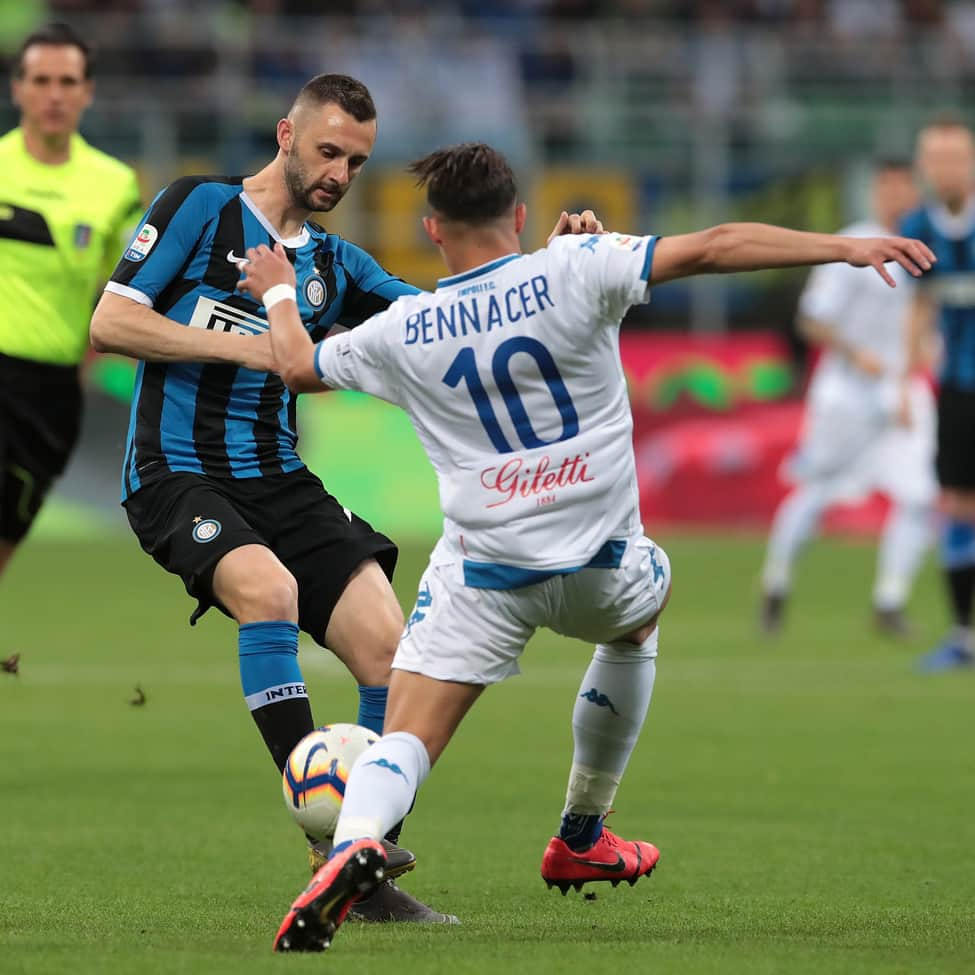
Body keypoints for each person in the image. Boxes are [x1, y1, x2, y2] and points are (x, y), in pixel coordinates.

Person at [233, 142, 934, 953]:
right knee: (646, 607)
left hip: (487, 577)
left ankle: (355, 841)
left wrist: (280, 291)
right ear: (520, 215)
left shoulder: (402, 329)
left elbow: (295, 365)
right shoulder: (578, 266)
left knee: (407, 737)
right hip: (601, 567)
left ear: (432, 230)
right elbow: (711, 247)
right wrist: (844, 247)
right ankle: (580, 832)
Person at [89, 74, 596, 922]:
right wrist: (250, 350)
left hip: (280, 479)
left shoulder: (333, 263)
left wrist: (546, 262)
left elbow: (456, 316)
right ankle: (329, 844)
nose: (338, 173)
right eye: (327, 151)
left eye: (355, 162)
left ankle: (363, 875)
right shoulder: (197, 207)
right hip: (177, 473)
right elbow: (111, 322)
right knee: (270, 593)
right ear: (286, 133)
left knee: (392, 657)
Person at [760, 160, 936, 638]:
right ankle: (776, 583)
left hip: (902, 388)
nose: (896, 196)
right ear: (876, 193)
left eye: (904, 187)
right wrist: (856, 354)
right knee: (816, 492)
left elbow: (928, 315)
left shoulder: (928, 245)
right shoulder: (854, 245)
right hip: (848, 393)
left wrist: (920, 359)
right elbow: (811, 319)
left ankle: (890, 600)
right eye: (887, 187)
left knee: (919, 496)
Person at [0, 23, 141, 577]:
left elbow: (125, 288)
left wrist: (88, 359)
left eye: (67, 81)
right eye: (40, 80)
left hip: (52, 393)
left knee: (8, 531)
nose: (53, 94)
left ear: (87, 91)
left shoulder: (113, 184)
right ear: (17, 88)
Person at [900, 116, 975, 672]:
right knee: (955, 503)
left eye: (956, 157)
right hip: (957, 388)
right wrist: (908, 379)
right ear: (924, 167)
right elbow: (920, 308)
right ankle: (962, 635)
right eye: (936, 159)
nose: (946, 168)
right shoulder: (918, 224)